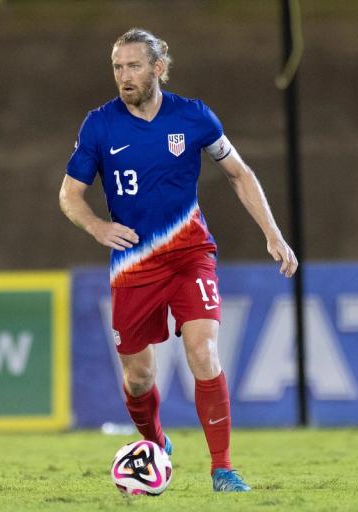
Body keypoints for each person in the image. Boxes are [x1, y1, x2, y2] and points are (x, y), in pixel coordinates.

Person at [59, 28, 297, 493]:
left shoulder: (193, 117)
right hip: (133, 265)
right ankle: (155, 445)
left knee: (204, 350)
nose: (124, 76)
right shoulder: (99, 125)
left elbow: (239, 174)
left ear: (158, 69)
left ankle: (223, 469)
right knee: (138, 376)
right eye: (117, 67)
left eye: (133, 66)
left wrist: (273, 234)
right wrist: (96, 226)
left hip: (190, 256)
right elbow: (70, 195)